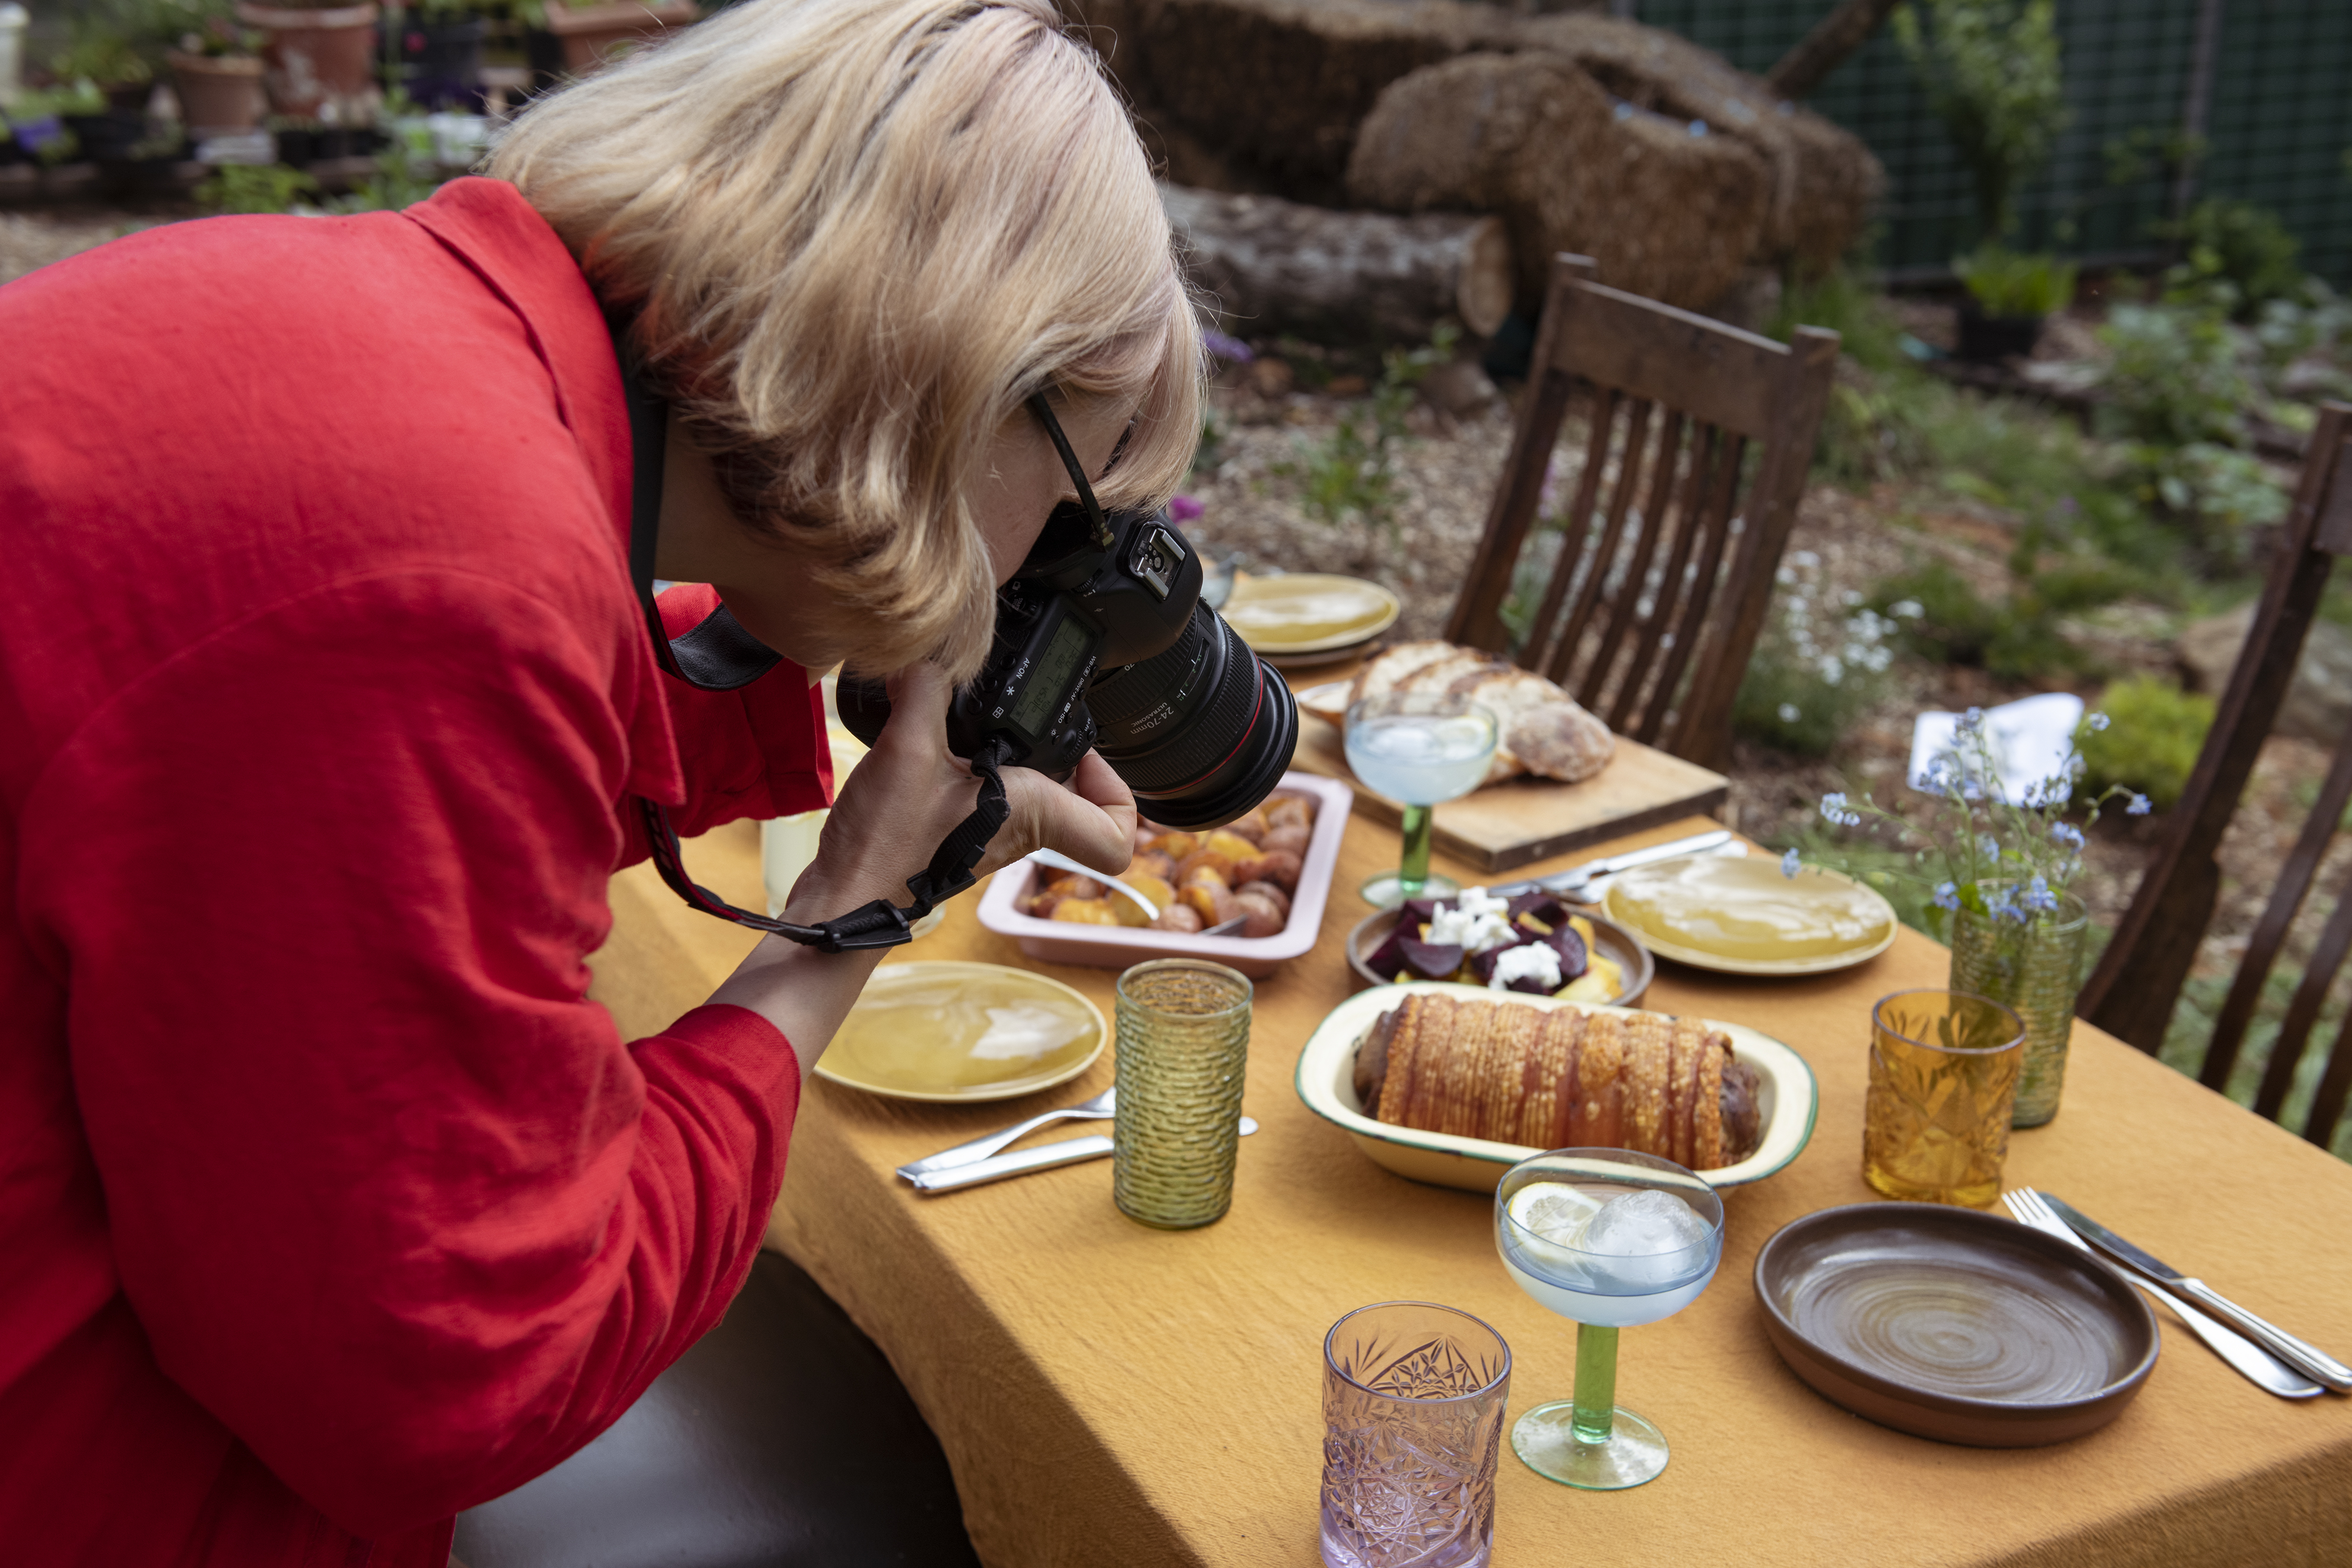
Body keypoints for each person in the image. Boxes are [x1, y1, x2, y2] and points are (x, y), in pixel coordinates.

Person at [0, 0, 1199, 1560]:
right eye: (1079, 495)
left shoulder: (371, 334)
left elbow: (342, 743)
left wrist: (820, 687)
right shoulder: (434, 577)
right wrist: (851, 912)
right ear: (960, 387)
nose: (1052, 564)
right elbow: (450, 1388)